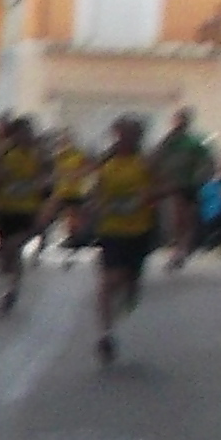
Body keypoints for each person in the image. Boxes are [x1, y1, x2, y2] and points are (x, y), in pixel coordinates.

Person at [87, 112, 164, 362]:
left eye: (130, 135)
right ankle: (105, 334)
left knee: (129, 282)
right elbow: (96, 190)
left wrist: (148, 196)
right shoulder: (106, 163)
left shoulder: (146, 162)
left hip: (138, 231)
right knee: (109, 281)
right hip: (111, 230)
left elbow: (163, 186)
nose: (124, 139)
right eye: (121, 134)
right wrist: (95, 207)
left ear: (138, 137)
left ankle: (131, 292)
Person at [0, 111, 53, 311]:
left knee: (14, 247)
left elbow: (48, 180)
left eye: (28, 133)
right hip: (5, 209)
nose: (25, 137)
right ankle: (10, 278)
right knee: (6, 254)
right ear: (13, 135)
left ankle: (13, 289)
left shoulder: (39, 155)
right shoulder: (3, 154)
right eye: (21, 133)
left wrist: (42, 188)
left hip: (28, 210)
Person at [154, 106, 218, 268]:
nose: (178, 124)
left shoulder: (194, 142)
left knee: (184, 217)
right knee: (178, 218)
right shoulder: (168, 142)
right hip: (171, 184)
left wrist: (201, 178)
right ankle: (179, 248)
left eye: (181, 120)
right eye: (177, 120)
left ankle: (181, 248)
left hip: (187, 184)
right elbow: (156, 159)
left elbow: (207, 162)